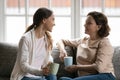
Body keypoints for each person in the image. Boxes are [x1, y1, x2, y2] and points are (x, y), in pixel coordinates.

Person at [57, 11, 116, 80]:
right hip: (84, 78)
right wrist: (62, 51)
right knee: (62, 79)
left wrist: (76, 67)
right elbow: (61, 41)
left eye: (89, 23)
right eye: (85, 23)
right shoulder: (83, 40)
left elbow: (99, 67)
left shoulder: (104, 43)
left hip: (104, 76)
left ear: (98, 27)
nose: (85, 25)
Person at [10, 7, 56, 80]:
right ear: (44, 20)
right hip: (24, 76)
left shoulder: (47, 39)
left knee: (52, 76)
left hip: (39, 75)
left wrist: (49, 62)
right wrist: (41, 72)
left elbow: (48, 56)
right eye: (53, 19)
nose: (54, 24)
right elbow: (23, 65)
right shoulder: (25, 39)